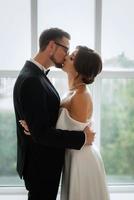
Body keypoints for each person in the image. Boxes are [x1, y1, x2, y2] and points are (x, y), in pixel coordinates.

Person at [13, 28, 95, 200]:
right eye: (65, 49)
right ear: (51, 45)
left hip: (46, 162)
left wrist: (35, 125)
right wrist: (82, 138)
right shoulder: (31, 80)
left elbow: (42, 124)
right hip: (40, 165)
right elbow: (42, 134)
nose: (66, 55)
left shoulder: (36, 75)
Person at [56, 46, 110, 200]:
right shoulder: (71, 91)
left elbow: (76, 134)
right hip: (73, 155)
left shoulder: (81, 96)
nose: (66, 57)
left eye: (71, 57)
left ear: (79, 70)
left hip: (81, 159)